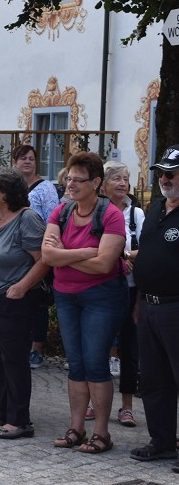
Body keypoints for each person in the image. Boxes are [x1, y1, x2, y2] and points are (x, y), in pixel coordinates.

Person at [42, 151, 126, 454]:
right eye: (69, 179)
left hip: (102, 297)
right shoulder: (61, 212)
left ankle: (101, 433)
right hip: (66, 296)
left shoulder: (111, 215)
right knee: (75, 364)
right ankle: (76, 428)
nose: (71, 185)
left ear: (96, 183)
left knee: (95, 363)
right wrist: (85, 252)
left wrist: (65, 254)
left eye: (79, 180)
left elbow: (105, 266)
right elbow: (48, 256)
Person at [0, 168, 49, 439]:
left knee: (13, 360)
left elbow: (43, 259)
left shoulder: (26, 219)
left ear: (6, 193)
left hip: (11, 300)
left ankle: (20, 420)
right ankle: (2, 412)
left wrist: (21, 286)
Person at [129, 145, 179, 466]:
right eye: (160, 173)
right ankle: (161, 441)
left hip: (176, 307)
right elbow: (147, 256)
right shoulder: (156, 209)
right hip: (148, 306)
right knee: (153, 378)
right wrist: (138, 302)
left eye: (171, 173)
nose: (164, 178)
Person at [101, 161, 143, 428]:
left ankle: (126, 407)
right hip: (102, 287)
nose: (122, 183)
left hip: (129, 289)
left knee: (129, 348)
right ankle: (95, 401)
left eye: (126, 178)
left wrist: (126, 256)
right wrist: (118, 257)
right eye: (116, 178)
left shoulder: (136, 214)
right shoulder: (98, 211)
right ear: (103, 184)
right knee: (99, 346)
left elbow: (149, 249)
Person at [12, 143, 59, 368]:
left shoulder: (45, 187)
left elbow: (52, 218)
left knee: (38, 301)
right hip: (14, 251)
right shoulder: (11, 186)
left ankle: (36, 349)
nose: (27, 162)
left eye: (31, 158)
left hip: (37, 250)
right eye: (23, 158)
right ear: (15, 162)